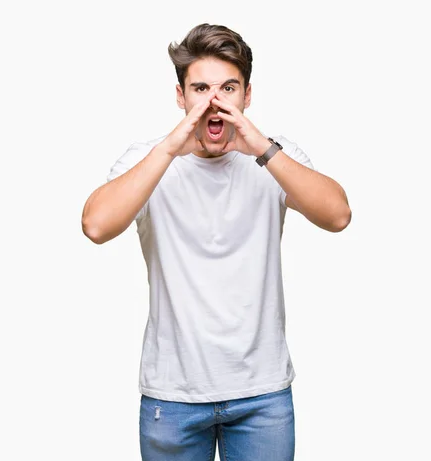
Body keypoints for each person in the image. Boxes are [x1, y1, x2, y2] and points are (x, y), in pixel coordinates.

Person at [81, 23, 351, 461]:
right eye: (201, 88)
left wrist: (260, 147)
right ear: (180, 96)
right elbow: (96, 226)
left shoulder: (275, 158)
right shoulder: (148, 160)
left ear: (247, 96)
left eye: (228, 88)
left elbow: (338, 215)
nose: (214, 103)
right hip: (173, 396)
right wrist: (172, 148)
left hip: (262, 395)